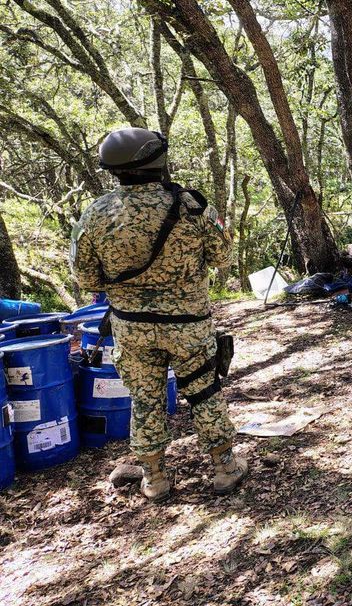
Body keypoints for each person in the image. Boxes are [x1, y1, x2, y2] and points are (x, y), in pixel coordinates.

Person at [70, 128, 246, 502]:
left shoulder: (95, 214)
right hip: (188, 326)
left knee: (146, 400)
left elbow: (86, 279)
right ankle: (225, 468)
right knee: (204, 391)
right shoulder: (193, 206)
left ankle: (154, 478)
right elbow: (222, 257)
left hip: (131, 328)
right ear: (158, 162)